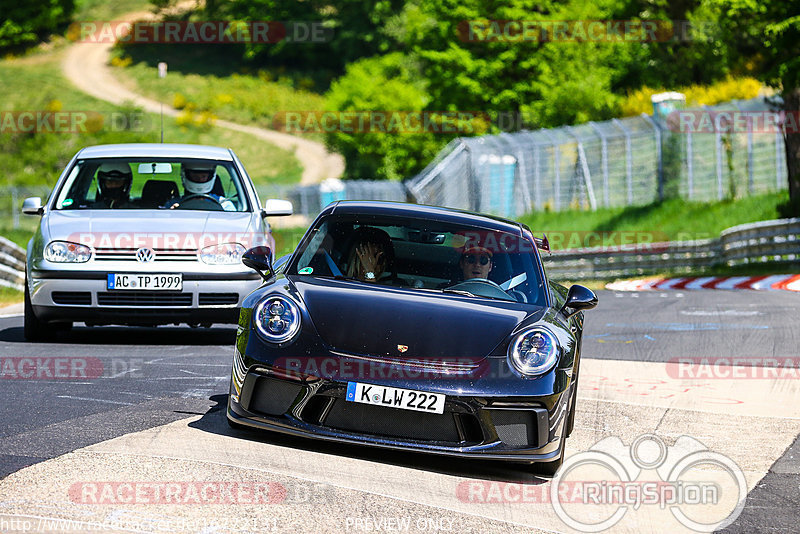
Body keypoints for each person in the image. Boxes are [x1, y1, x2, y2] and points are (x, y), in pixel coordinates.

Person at [164, 162, 235, 210]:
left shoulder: (224, 205)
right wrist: (171, 213)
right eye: (195, 176)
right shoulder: (171, 203)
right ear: (185, 175)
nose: (200, 179)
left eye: (203, 176)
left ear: (211, 176)